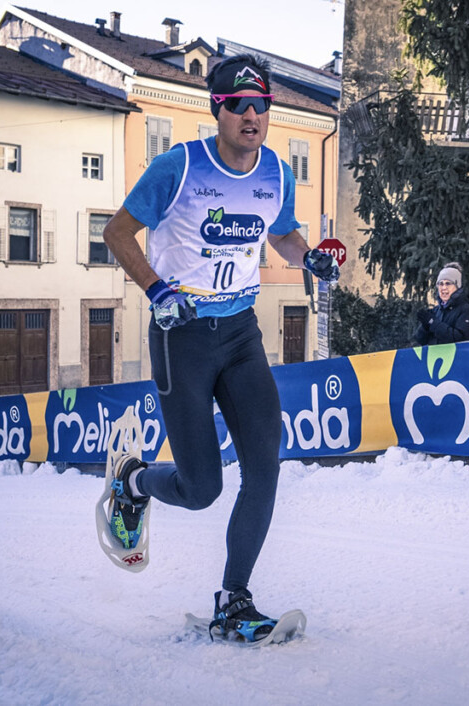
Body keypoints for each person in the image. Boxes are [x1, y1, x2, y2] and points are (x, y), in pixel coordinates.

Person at [101, 53, 339, 642]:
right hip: (180, 336)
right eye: (239, 106)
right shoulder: (178, 166)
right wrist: (157, 290)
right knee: (202, 488)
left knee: (265, 465)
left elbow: (279, 231)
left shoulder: (277, 174)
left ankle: (235, 598)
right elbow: (116, 232)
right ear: (218, 110)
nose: (252, 115)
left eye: (261, 105)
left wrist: (305, 256)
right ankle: (132, 481)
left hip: (239, 333)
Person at [413, 262, 469, 345]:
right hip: (433, 357)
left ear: (457, 286)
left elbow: (461, 340)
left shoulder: (467, 311)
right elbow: (420, 341)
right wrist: (425, 326)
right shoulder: (435, 311)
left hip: (456, 358)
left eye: (448, 283)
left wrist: (433, 323)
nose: (443, 288)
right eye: (440, 284)